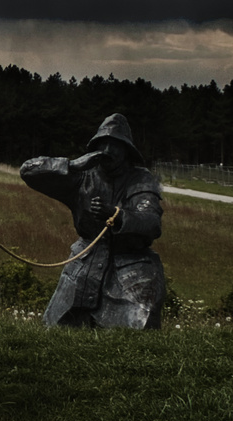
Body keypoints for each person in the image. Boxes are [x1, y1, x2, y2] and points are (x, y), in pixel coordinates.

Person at [19, 114, 167, 329]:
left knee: (137, 327)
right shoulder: (82, 176)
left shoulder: (140, 179)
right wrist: (72, 165)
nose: (107, 151)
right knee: (58, 328)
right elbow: (28, 171)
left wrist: (116, 215)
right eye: (102, 144)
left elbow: (152, 223)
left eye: (115, 145)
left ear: (127, 150)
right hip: (83, 266)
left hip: (129, 270)